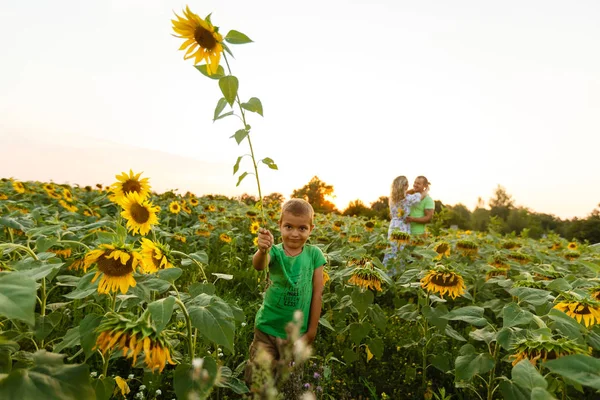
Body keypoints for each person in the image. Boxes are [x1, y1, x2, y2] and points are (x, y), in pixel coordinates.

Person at [245, 198, 326, 386]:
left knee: (289, 382)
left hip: (296, 334)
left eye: (302, 228)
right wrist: (262, 250)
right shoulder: (274, 252)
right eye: (288, 227)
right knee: (258, 380)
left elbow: (317, 294)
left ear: (311, 229)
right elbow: (259, 265)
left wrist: (311, 332)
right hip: (267, 328)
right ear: (280, 225)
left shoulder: (314, 255)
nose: (295, 234)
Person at [383, 176, 429, 265]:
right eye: (407, 184)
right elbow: (421, 196)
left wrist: (414, 188)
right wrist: (426, 189)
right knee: (401, 252)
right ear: (404, 186)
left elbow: (410, 192)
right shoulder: (407, 199)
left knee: (391, 251)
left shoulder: (392, 198)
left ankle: (387, 273)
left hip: (393, 226)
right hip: (402, 227)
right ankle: (397, 274)